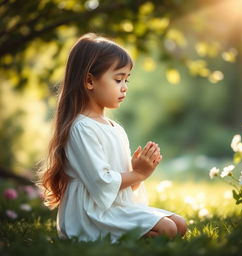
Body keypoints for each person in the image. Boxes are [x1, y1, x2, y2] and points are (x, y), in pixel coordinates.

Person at [36, 32, 187, 244]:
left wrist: (136, 171)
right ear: (89, 80)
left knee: (180, 224)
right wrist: (138, 173)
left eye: (127, 79)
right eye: (118, 79)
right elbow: (102, 184)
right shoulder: (81, 128)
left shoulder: (116, 128)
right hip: (90, 216)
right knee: (169, 229)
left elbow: (122, 188)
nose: (124, 86)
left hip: (115, 208)